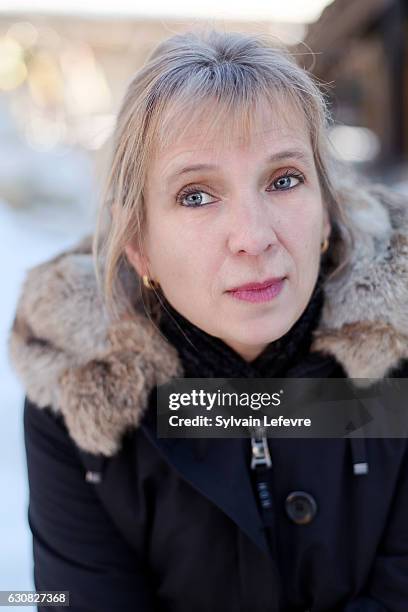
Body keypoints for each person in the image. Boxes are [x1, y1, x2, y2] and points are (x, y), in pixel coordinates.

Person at [8, 28, 408, 612]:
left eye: (284, 179)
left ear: (327, 212)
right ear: (139, 243)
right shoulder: (80, 389)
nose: (254, 237)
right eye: (197, 195)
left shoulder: (397, 352)